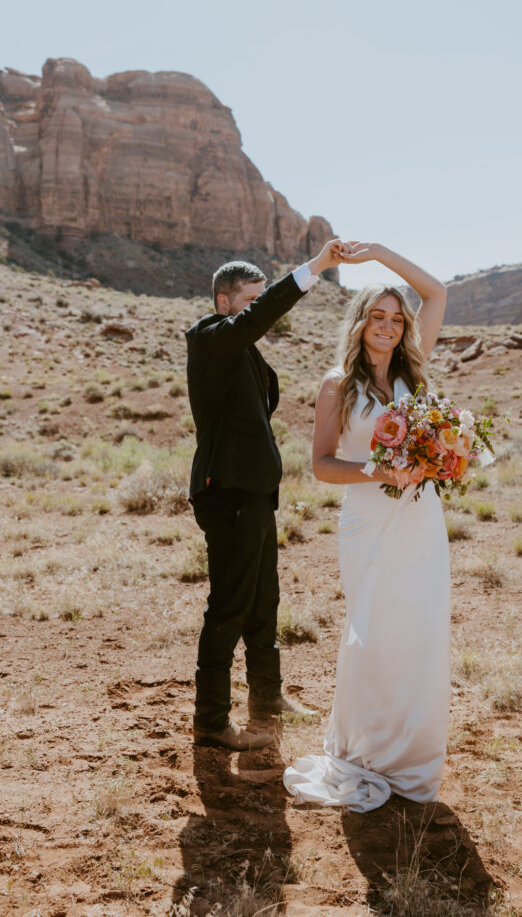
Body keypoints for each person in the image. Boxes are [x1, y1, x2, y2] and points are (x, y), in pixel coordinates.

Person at [283, 241, 449, 811]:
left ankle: (411, 751)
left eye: (396, 319)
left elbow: (437, 292)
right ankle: (370, 747)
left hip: (420, 520)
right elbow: (322, 465)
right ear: (360, 323)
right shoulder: (339, 384)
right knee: (373, 631)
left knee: (418, 631)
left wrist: (379, 254)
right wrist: (377, 469)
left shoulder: (412, 370)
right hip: (367, 519)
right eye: (377, 316)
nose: (388, 326)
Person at [186, 239, 349, 751]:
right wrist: (314, 269)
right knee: (229, 606)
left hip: (254, 491)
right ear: (224, 302)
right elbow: (259, 318)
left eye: (260, 300)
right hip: (227, 492)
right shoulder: (210, 338)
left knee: (264, 602)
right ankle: (211, 722)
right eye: (250, 300)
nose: (258, 309)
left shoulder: (242, 351)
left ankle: (267, 697)